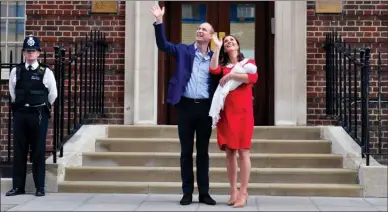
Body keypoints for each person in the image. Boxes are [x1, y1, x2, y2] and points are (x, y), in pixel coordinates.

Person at [150, 4, 219, 206]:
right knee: (186, 151)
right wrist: (159, 21)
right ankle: (187, 192)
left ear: (211, 36)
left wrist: (219, 46)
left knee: (203, 153)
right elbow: (163, 44)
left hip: (205, 108)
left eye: (204, 29)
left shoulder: (215, 58)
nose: (199, 30)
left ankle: (204, 193)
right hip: (186, 106)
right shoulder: (183, 50)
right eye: (198, 28)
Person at [209, 34, 258, 208]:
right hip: (227, 113)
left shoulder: (247, 63)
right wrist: (216, 46)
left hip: (244, 113)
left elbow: (252, 78)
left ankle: (243, 192)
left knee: (243, 151)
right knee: (230, 153)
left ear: (238, 45)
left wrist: (231, 76)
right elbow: (213, 69)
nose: (229, 43)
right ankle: (233, 191)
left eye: (232, 41)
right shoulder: (224, 66)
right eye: (227, 41)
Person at [6, 35, 57, 197]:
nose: (30, 54)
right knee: (19, 151)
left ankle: (40, 187)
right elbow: (12, 92)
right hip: (21, 113)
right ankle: (18, 187)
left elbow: (53, 94)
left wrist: (41, 106)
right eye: (27, 51)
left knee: (38, 151)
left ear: (38, 53)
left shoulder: (45, 71)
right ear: (23, 52)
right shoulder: (17, 70)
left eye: (33, 51)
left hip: (38, 114)